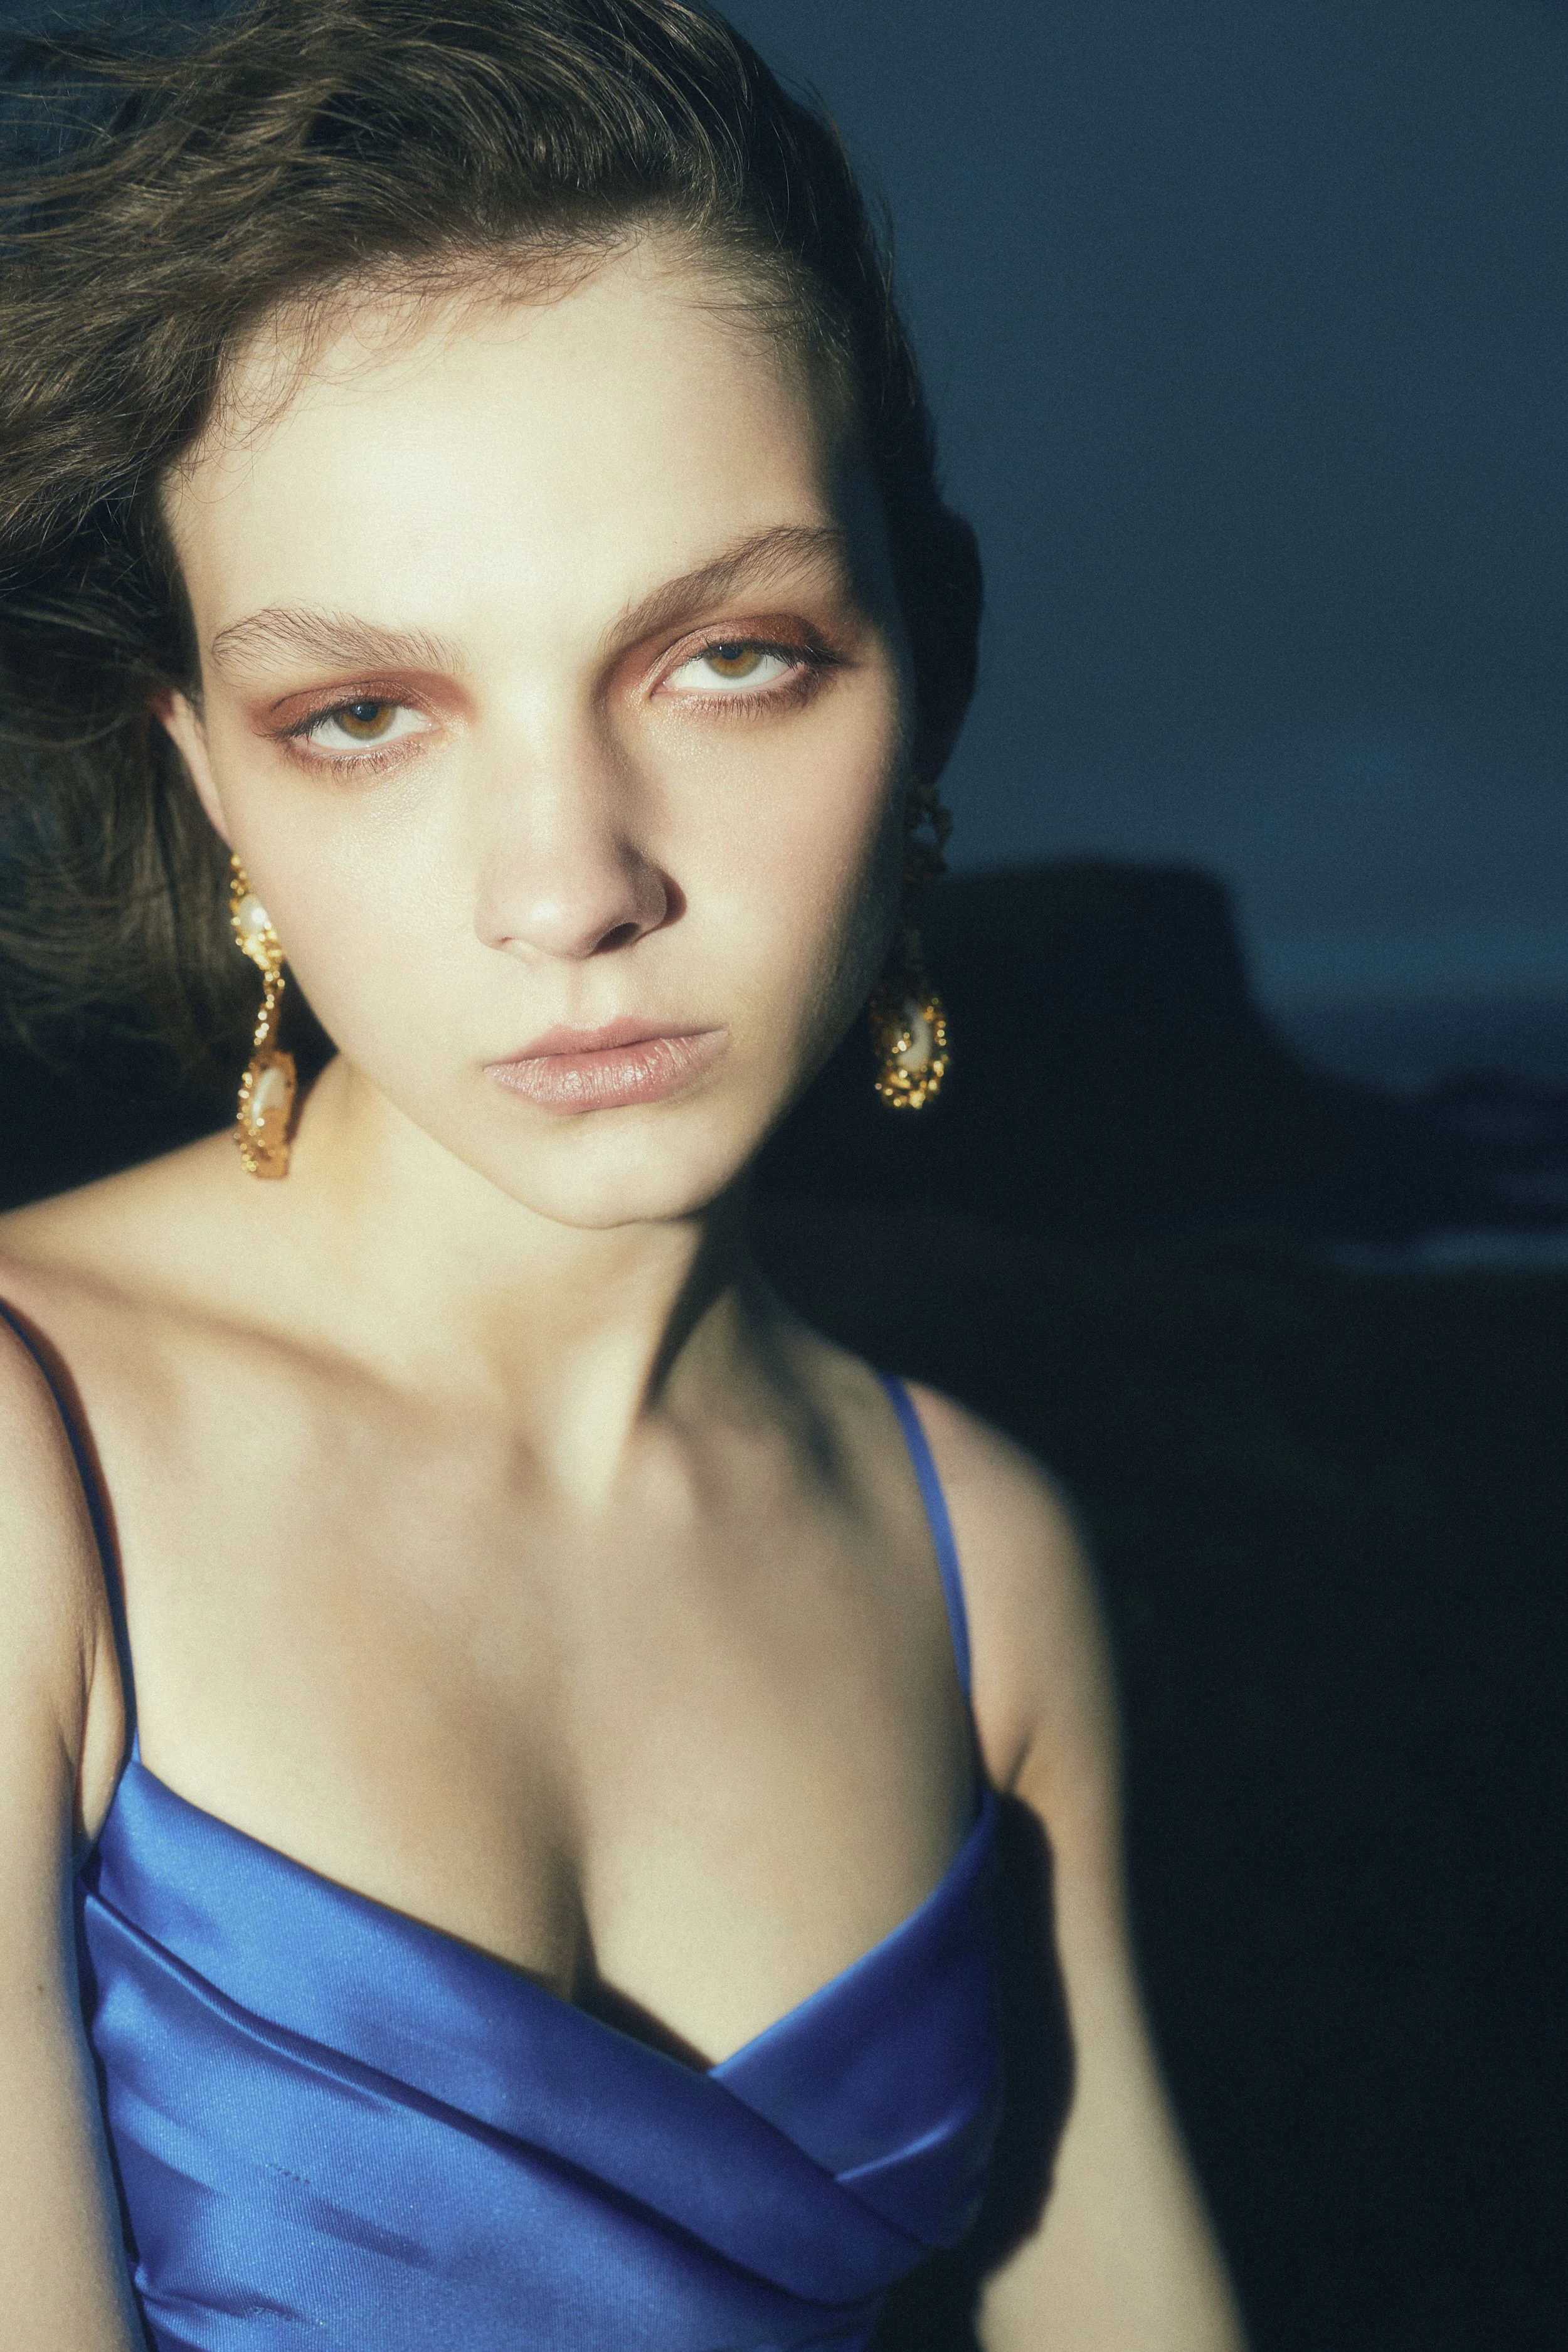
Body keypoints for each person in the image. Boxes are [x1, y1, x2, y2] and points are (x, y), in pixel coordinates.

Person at [0, 3, 1247, 2344]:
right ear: (215, 784)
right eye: (362, 713)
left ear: (926, 683)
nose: (568, 886)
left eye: (729, 658)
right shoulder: (23, 1468)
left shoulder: (975, 1558)